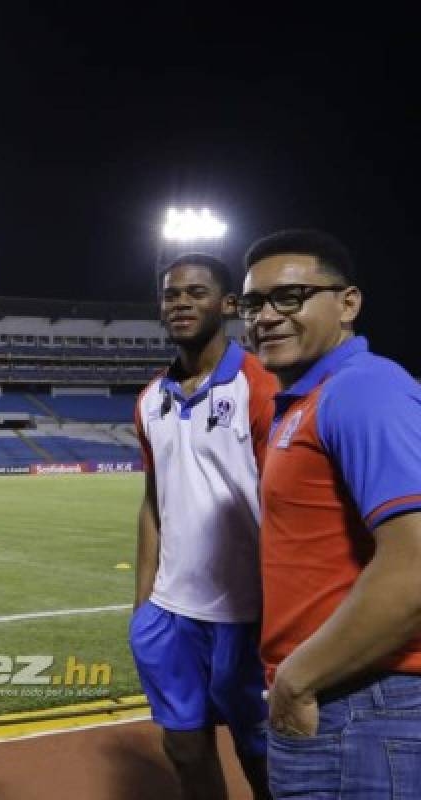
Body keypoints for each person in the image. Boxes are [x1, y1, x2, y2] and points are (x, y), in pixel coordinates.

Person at [241, 229, 421, 798]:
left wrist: (297, 680)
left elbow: (416, 565)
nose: (266, 316)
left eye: (290, 297)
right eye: (253, 303)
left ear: (348, 303)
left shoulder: (362, 390)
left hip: (362, 703)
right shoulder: (308, 400)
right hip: (346, 698)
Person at [130, 254, 276, 800]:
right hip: (170, 618)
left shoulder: (260, 388)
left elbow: (281, 505)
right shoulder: (150, 400)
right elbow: (153, 503)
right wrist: (144, 607)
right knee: (186, 753)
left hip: (247, 617)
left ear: (229, 304)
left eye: (196, 292)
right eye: (172, 295)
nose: (182, 303)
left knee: (263, 759)